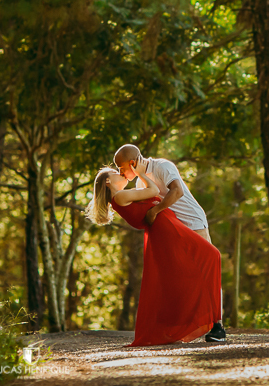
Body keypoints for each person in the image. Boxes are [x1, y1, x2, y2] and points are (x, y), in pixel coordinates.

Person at [85, 163, 222, 346]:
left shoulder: (120, 198)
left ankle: (207, 320)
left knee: (198, 265)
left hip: (166, 228)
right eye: (116, 173)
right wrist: (142, 174)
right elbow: (154, 190)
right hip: (167, 229)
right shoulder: (121, 196)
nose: (121, 174)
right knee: (211, 256)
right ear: (108, 181)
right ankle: (210, 320)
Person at [113, 144, 227, 343]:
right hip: (175, 229)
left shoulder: (163, 166)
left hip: (193, 222)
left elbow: (177, 191)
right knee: (181, 276)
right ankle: (180, 325)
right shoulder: (141, 184)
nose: (119, 173)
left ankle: (218, 326)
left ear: (132, 163)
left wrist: (155, 212)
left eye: (121, 168)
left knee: (205, 270)